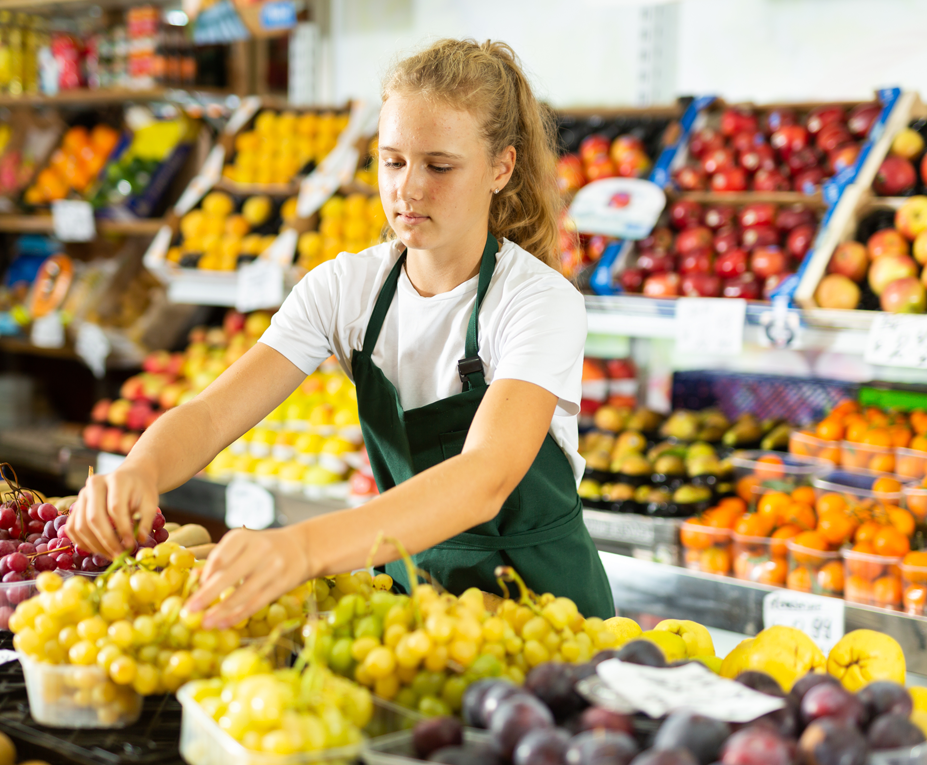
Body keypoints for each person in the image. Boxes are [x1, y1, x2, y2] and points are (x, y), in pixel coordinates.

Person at [67, 38, 615, 628]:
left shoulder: (538, 299)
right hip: (414, 606)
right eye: (392, 160)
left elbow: (486, 476)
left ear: (501, 168)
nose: (408, 189)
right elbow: (211, 416)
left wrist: (302, 549)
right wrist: (140, 471)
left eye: (440, 166)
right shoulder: (344, 289)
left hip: (545, 611)